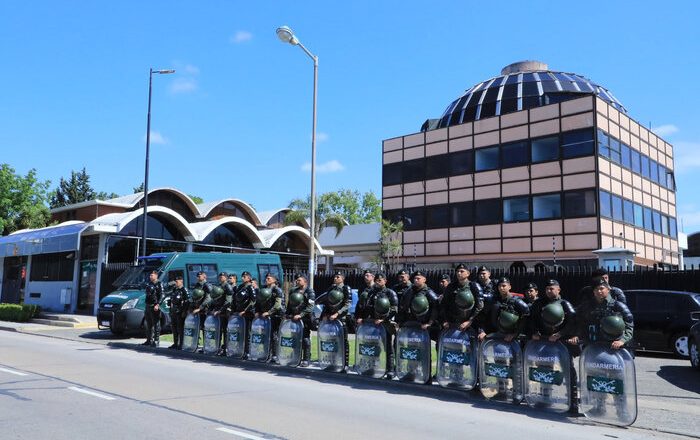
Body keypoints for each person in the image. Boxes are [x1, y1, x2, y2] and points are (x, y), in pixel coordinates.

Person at [570, 278, 634, 418]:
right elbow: (581, 325)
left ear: (608, 289)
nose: (599, 291)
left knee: (617, 382)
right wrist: (577, 336)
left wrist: (623, 340)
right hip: (594, 349)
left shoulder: (618, 306)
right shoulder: (587, 307)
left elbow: (629, 324)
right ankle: (599, 408)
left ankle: (622, 412)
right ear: (593, 292)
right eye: (596, 289)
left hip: (613, 350)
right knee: (597, 381)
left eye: (602, 288)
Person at [527, 279, 578, 413]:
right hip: (544, 342)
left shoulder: (564, 304)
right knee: (544, 369)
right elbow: (531, 319)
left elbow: (573, 321)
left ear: (558, 290)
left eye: (552, 288)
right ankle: (545, 397)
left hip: (561, 343)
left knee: (568, 370)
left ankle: (572, 400)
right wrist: (534, 333)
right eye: (547, 289)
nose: (549, 291)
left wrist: (561, 334)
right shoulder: (539, 303)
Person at [365, 272, 399, 379]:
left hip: (386, 324)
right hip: (373, 324)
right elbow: (368, 306)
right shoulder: (372, 293)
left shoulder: (390, 293)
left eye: (380, 280)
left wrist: (383, 319)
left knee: (388, 347)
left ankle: (390, 370)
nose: (377, 282)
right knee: (373, 346)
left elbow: (394, 308)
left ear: (385, 281)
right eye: (376, 280)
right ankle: (374, 366)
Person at [318, 271, 353, 368]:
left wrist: (337, 314)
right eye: (335, 277)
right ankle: (332, 362)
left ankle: (345, 364)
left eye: (338, 277)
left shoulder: (346, 288)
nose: (335, 278)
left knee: (343, 341)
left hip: (341, 319)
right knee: (331, 341)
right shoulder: (331, 288)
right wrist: (324, 315)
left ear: (342, 278)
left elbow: (347, 304)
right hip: (330, 319)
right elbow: (327, 303)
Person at [478, 277, 529, 343]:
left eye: (504, 286)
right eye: (499, 286)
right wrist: (483, 331)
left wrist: (515, 334)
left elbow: (527, 316)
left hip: (512, 338)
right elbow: (485, 316)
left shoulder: (517, 301)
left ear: (509, 287)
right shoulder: (494, 301)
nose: (501, 288)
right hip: (496, 336)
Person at [396, 271, 439, 348]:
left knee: (423, 348)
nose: (416, 280)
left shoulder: (428, 292)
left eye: (418, 278)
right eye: (415, 278)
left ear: (424, 280)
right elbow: (403, 307)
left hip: (423, 325)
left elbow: (436, 308)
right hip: (411, 324)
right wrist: (401, 321)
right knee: (411, 347)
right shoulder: (409, 291)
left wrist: (430, 323)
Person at [439, 264, 484, 334]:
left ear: (468, 273)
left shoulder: (474, 286)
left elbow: (480, 306)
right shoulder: (451, 287)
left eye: (462, 271)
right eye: (457, 271)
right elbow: (444, 304)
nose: (459, 273)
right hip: (453, 323)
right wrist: (445, 320)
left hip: (471, 324)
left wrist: (470, 321)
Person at [285, 273, 316, 367]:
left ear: (305, 281)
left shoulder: (309, 291)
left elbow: (310, 306)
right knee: (294, 337)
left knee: (305, 338)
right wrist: (287, 314)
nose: (297, 281)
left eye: (299, 280)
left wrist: (301, 315)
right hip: (294, 318)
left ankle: (306, 358)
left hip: (305, 319)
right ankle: (295, 357)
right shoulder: (293, 290)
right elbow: (290, 303)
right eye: (297, 280)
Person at [255, 272, 285, 362]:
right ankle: (266, 354)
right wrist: (257, 312)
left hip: (276, 316)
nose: (267, 280)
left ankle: (275, 355)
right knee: (264, 335)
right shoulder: (264, 289)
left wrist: (269, 312)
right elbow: (259, 301)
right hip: (264, 316)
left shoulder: (277, 290)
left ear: (274, 280)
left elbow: (278, 305)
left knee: (274, 335)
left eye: (269, 278)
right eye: (266, 278)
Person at [212, 272, 234, 355]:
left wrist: (220, 310)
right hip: (218, 311)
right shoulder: (219, 286)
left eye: (223, 276)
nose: (221, 277)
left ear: (226, 278)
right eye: (220, 276)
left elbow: (228, 301)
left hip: (224, 312)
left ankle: (225, 349)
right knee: (218, 331)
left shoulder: (227, 286)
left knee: (225, 331)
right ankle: (217, 348)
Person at [167, 275, 189, 350]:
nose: (175, 283)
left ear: (181, 281)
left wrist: (184, 311)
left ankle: (181, 344)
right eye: (175, 281)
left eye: (177, 281)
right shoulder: (174, 290)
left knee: (180, 328)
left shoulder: (184, 290)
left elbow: (187, 301)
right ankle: (175, 343)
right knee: (174, 328)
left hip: (180, 311)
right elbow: (172, 300)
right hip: (173, 311)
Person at [143, 270, 163, 347]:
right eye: (150, 275)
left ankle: (156, 340)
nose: (150, 276)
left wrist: (157, 304)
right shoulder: (149, 284)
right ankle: (149, 340)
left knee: (156, 324)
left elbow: (162, 295)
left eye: (152, 275)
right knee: (148, 324)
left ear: (156, 276)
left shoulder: (159, 284)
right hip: (148, 305)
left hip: (154, 306)